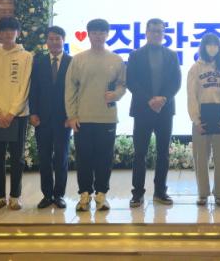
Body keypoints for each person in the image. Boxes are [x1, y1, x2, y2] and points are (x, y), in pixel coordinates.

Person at [65, 18, 126, 212]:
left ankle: (101, 195)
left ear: (107, 35)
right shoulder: (78, 59)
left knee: (104, 159)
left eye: (102, 33)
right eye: (94, 33)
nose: (98, 36)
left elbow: (122, 84)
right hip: (83, 118)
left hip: (107, 117)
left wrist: (116, 94)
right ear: (89, 35)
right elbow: (70, 88)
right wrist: (72, 115)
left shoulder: (116, 59)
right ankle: (84, 195)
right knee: (83, 159)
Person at [126, 18, 182, 207]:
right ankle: (137, 193)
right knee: (139, 153)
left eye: (160, 31)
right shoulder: (135, 55)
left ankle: (160, 192)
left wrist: (163, 98)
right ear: (146, 33)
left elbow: (176, 82)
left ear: (163, 33)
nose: (157, 34)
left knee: (163, 153)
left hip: (164, 110)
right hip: (143, 110)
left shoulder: (172, 55)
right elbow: (131, 81)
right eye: (153, 31)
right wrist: (150, 100)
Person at [0, 16, 33, 211]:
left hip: (18, 116)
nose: (8, 34)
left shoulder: (26, 56)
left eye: (12, 30)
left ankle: (15, 196)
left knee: (17, 158)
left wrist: (12, 112)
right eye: (4, 30)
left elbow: (25, 87)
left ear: (17, 33)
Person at [187, 33, 220, 206]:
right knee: (200, 158)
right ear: (203, 46)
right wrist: (196, 120)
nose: (212, 47)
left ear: (219, 47)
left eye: (215, 44)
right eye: (208, 44)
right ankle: (202, 193)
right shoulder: (195, 68)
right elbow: (191, 96)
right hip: (201, 119)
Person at [29, 26, 72, 209]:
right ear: (46, 41)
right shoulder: (38, 62)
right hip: (42, 119)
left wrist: (71, 116)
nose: (54, 42)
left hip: (64, 120)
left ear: (63, 40)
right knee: (44, 158)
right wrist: (33, 112)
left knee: (61, 158)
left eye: (58, 38)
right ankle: (47, 195)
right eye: (51, 39)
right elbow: (33, 90)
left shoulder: (72, 62)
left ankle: (59, 195)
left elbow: (75, 91)